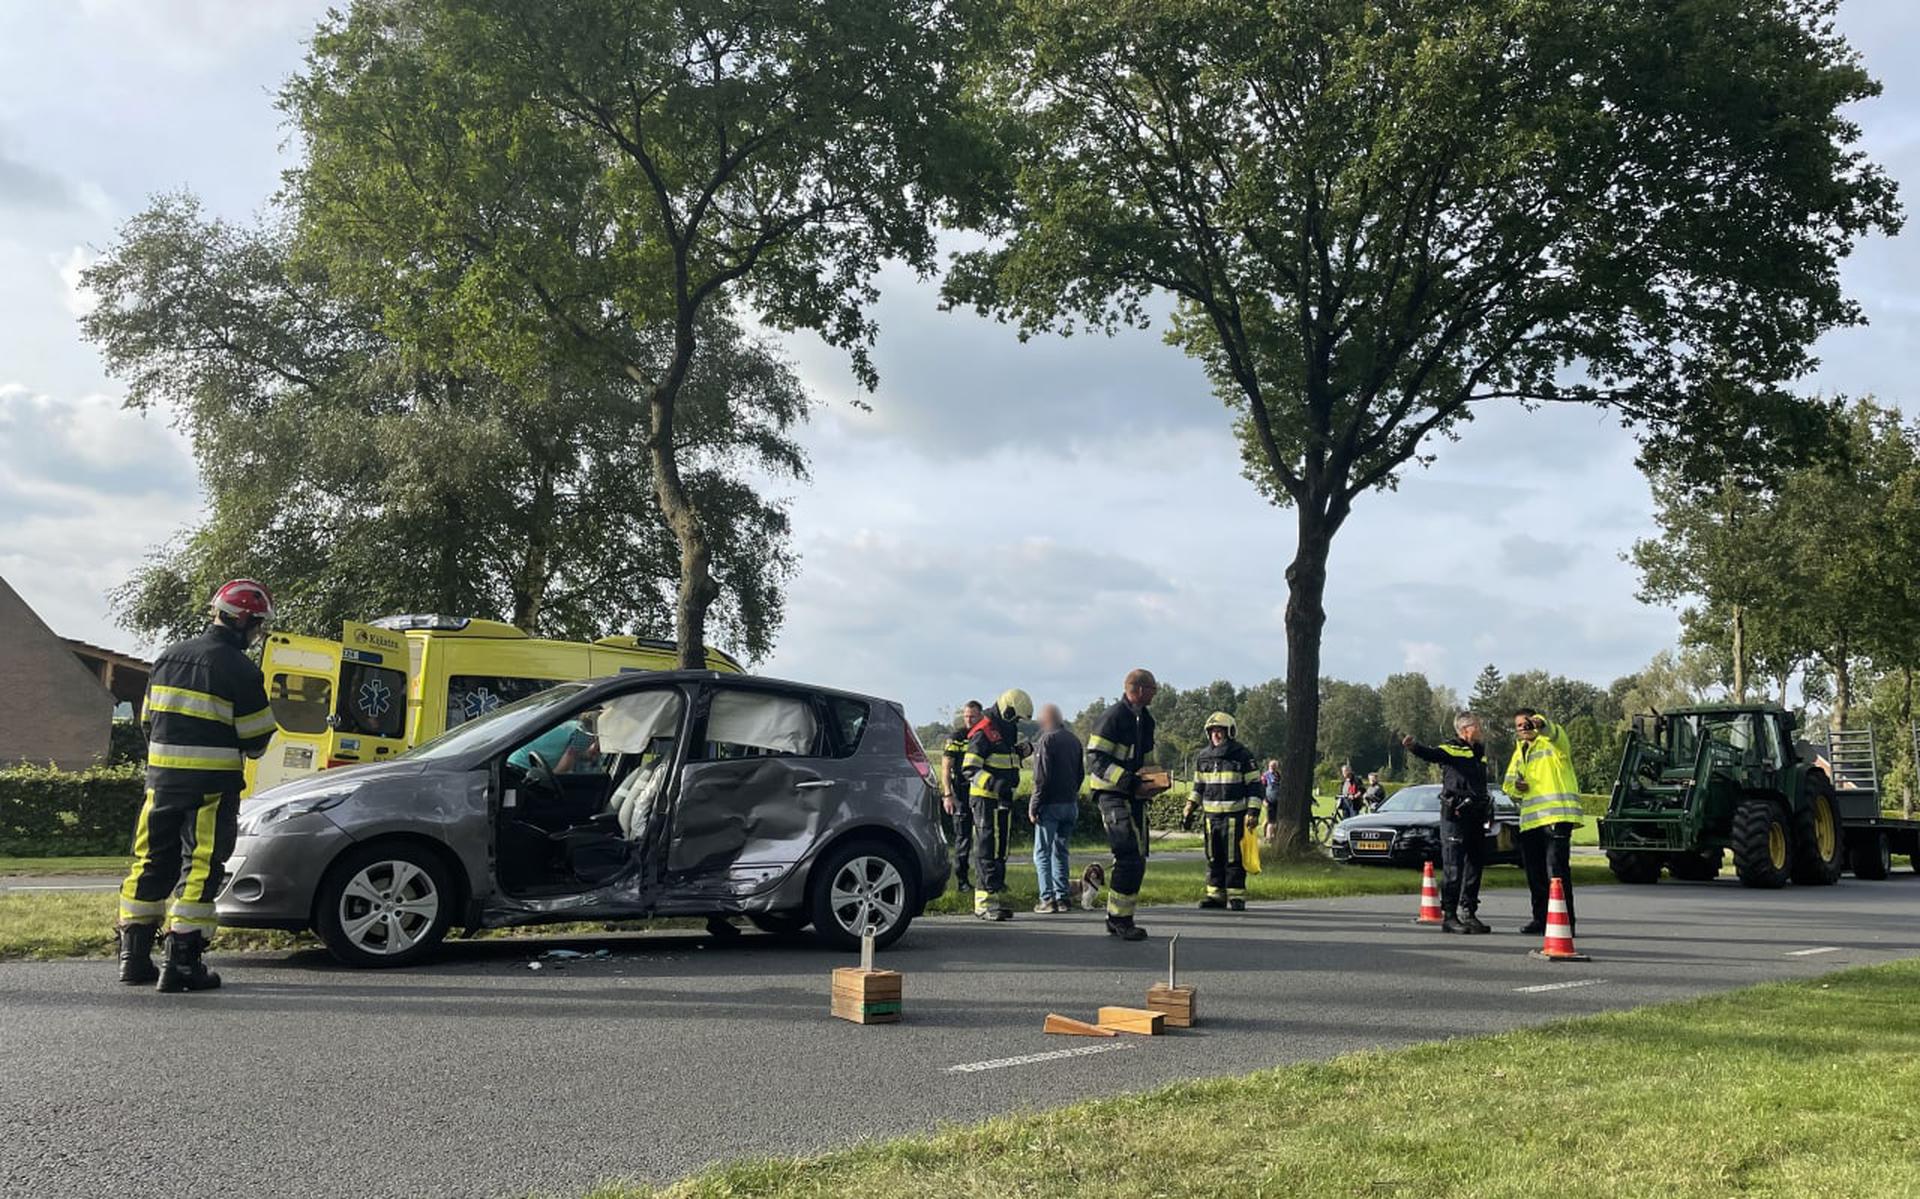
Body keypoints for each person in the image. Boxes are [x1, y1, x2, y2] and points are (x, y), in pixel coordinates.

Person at [116, 579, 279, 992]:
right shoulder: (240, 670)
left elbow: (147, 721)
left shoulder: (168, 657)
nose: (257, 633)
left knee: (149, 863)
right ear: (245, 622)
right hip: (209, 789)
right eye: (258, 626)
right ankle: (182, 964)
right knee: (200, 868)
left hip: (160, 784)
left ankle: (133, 960)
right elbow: (257, 737)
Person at [1401, 712, 1493, 934]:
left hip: (1476, 815)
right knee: (1454, 866)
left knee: (1475, 865)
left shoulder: (1479, 752)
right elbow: (1431, 754)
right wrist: (1414, 747)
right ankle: (1449, 916)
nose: (1481, 729)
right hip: (1456, 816)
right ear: (1465, 729)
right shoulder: (1452, 748)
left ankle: (1469, 912)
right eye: (1477, 726)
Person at [1086, 668, 1158, 941]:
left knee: (1136, 858)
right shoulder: (1114, 717)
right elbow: (1096, 759)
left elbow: (1148, 762)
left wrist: (1153, 783)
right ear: (1138, 689)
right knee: (1128, 855)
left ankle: (1118, 917)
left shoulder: (1146, 720)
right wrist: (1130, 781)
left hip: (1133, 795)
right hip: (1112, 794)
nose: (1155, 694)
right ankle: (1119, 920)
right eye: (1152, 689)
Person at [1505, 708, 1584, 936]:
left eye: (1526, 723)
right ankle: (1540, 919)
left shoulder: (1552, 743)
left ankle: (1565, 922)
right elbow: (1508, 783)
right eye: (1519, 725)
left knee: (1556, 871)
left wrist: (1539, 722)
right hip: (1531, 822)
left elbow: (1553, 732)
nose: (1523, 728)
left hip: (1557, 817)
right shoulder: (1520, 752)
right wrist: (1516, 788)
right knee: (1535, 874)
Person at [965, 689, 1032, 921]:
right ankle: (984, 903)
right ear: (1007, 709)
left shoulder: (1006, 728)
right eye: (1015, 717)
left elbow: (1003, 757)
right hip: (985, 798)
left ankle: (996, 896)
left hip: (1002, 798)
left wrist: (1020, 752)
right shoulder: (983, 730)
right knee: (987, 848)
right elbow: (970, 768)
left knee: (1001, 849)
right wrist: (994, 784)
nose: (1016, 722)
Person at [1183, 712, 1261, 910]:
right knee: (1213, 856)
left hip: (1234, 816)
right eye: (1212, 732)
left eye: (1219, 731)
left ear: (1229, 732)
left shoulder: (1243, 755)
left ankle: (1236, 897)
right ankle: (1215, 895)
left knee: (1233, 857)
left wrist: (1253, 812)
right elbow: (1198, 786)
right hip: (1211, 817)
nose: (1215, 735)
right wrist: (1189, 807)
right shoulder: (1203, 757)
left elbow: (1254, 785)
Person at [1029, 703, 1084, 913]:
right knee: (1060, 851)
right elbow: (1080, 774)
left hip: (1050, 805)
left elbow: (1041, 778)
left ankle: (1047, 899)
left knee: (1042, 852)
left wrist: (1034, 805)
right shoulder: (1074, 740)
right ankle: (1063, 898)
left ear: (1046, 720)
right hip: (1070, 804)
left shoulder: (1046, 740)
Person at [941, 701, 983, 892]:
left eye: (972, 716)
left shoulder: (984, 736)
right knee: (963, 838)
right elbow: (945, 768)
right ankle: (962, 881)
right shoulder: (956, 738)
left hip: (981, 792)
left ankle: (986, 879)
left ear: (980, 716)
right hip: (960, 792)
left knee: (985, 837)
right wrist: (947, 795)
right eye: (966, 715)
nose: (968, 719)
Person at [1262, 759, 1283, 840]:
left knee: (1272, 820)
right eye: (1272, 767)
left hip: (1277, 801)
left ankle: (1271, 836)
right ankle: (1268, 838)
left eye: (1275, 767)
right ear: (1269, 766)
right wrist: (1264, 800)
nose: (1274, 768)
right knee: (1271, 822)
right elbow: (1262, 789)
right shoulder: (1265, 776)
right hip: (1269, 801)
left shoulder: (1278, 775)